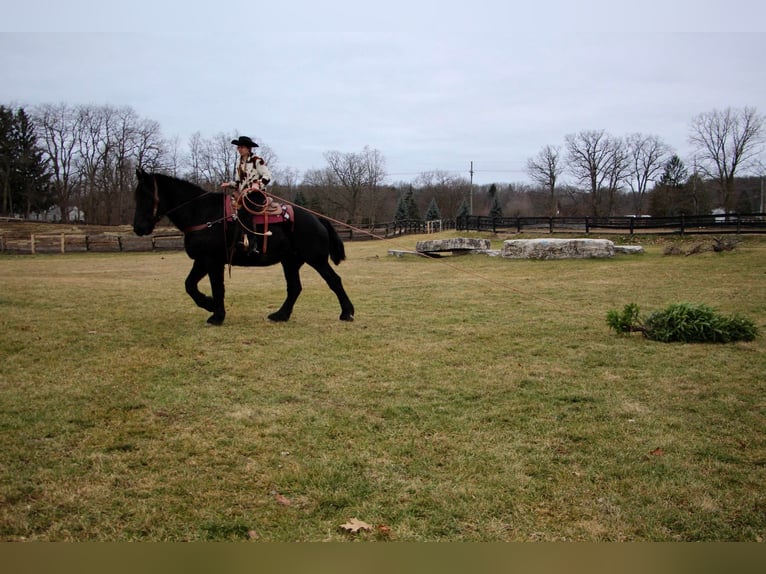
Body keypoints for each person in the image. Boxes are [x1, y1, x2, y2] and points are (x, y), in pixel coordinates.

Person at [221, 136, 272, 254]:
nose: (239, 149)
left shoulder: (257, 160)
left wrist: (258, 184)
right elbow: (239, 183)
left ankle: (252, 244)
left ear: (248, 148)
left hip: (256, 194)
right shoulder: (240, 164)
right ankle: (239, 239)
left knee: (244, 212)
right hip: (243, 195)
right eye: (238, 147)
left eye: (242, 147)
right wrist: (229, 184)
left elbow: (267, 176)